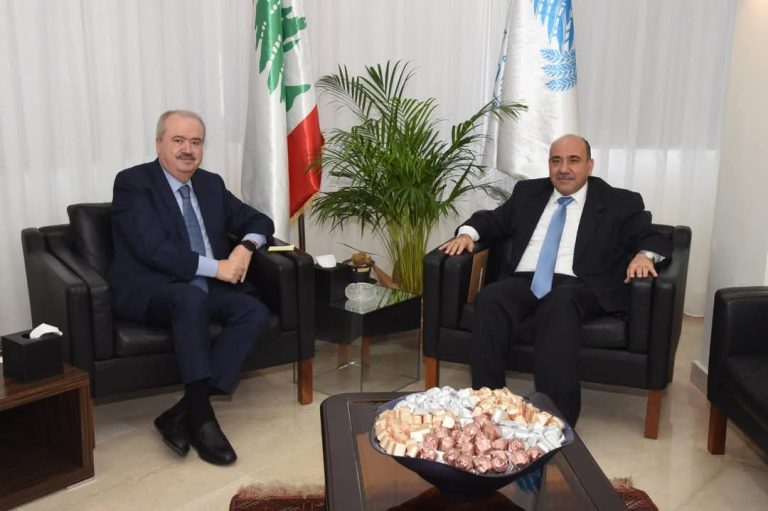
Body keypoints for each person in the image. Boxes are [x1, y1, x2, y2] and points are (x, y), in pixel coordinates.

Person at [440, 134, 671, 426]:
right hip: (526, 280)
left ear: (589, 165)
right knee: (491, 298)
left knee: (560, 302)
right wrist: (466, 234)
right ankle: (490, 407)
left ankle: (556, 419)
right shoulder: (528, 193)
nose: (564, 169)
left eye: (573, 160)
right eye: (556, 161)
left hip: (580, 284)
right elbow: (492, 220)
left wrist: (644, 256)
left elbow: (652, 236)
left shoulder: (618, 201)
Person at [108, 110, 274, 465]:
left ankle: (180, 412)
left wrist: (246, 247)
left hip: (202, 287)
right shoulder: (133, 183)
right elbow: (153, 249)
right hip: (150, 287)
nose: (188, 149)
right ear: (159, 144)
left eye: (196, 142)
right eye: (178, 140)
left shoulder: (210, 184)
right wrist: (219, 267)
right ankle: (202, 419)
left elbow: (260, 220)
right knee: (189, 298)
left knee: (254, 312)